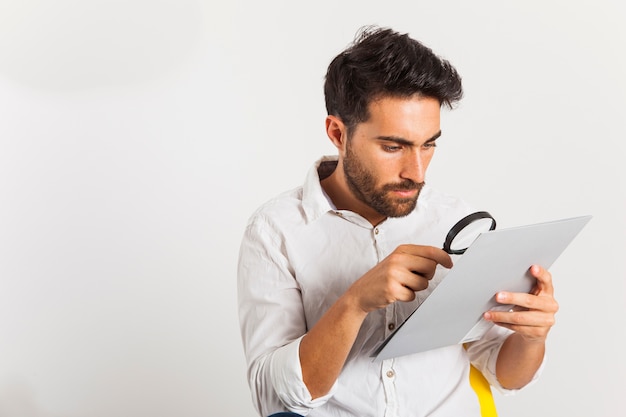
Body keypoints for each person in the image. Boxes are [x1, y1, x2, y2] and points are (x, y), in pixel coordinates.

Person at [237, 26, 558, 417]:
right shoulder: (276, 232)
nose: (417, 172)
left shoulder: (455, 220)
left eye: (429, 144)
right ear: (338, 133)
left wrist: (531, 337)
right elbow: (274, 397)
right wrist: (355, 303)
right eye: (393, 147)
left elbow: (504, 373)